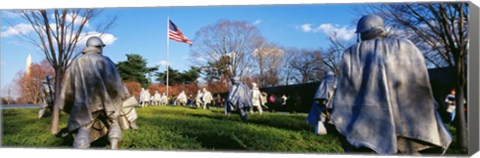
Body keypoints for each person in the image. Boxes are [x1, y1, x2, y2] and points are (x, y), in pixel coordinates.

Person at [330, 14, 451, 155]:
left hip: (368, 125)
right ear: (382, 29)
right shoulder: (406, 46)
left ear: (361, 32)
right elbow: (421, 82)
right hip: (409, 122)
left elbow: (346, 92)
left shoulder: (352, 53)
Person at [58, 36, 130, 149]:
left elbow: (68, 86)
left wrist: (68, 102)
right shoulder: (105, 60)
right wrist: (120, 95)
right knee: (113, 122)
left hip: (84, 103)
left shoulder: (76, 62)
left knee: (84, 128)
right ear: (98, 47)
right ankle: (114, 147)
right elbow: (115, 82)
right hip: (106, 102)